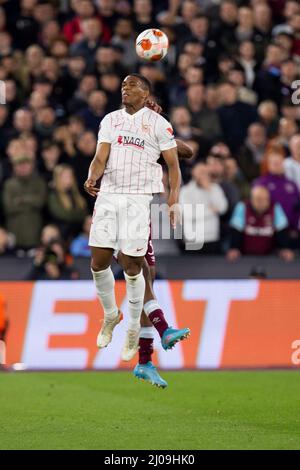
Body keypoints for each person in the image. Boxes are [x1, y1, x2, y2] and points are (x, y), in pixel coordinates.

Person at [84, 74, 185, 363]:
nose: (124, 89)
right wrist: (92, 175)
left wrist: (173, 198)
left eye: (131, 85)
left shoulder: (158, 124)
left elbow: (174, 164)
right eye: (123, 85)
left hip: (139, 199)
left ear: (145, 92)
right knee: (98, 262)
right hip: (108, 196)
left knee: (132, 266)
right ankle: (110, 315)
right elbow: (100, 156)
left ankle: (132, 328)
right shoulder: (110, 120)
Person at [227, 185, 294, 261]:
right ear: (251, 199)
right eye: (258, 199)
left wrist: (284, 249)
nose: (261, 202)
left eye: (264, 199)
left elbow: (281, 231)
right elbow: (236, 230)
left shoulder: (275, 207)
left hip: (270, 257)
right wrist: (234, 248)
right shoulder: (242, 207)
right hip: (245, 257)